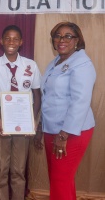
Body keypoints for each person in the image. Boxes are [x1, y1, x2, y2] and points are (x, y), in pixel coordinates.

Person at [34, 22, 96, 200]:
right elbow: (49, 98)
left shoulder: (82, 64)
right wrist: (40, 127)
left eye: (68, 36)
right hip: (51, 129)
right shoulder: (55, 62)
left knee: (60, 180)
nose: (62, 40)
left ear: (77, 40)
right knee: (60, 180)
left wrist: (63, 135)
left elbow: (80, 102)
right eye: (57, 36)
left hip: (71, 133)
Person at [0, 25, 41, 200]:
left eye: (15, 38)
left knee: (19, 169)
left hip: (25, 116)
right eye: (7, 38)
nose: (11, 42)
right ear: (1, 42)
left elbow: (37, 95)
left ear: (21, 42)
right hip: (0, 114)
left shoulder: (30, 65)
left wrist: (33, 119)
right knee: (1, 168)